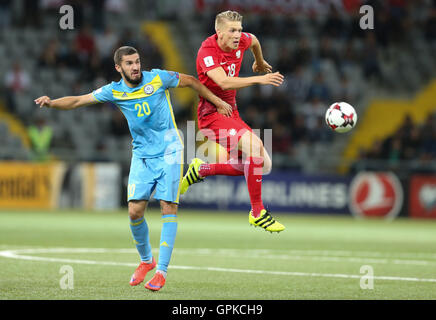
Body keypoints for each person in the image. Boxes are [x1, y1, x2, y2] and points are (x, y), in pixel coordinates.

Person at [34, 46, 232, 292]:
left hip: (170, 151)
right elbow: (78, 100)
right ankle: (147, 261)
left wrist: (217, 101)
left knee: (168, 207)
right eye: (129, 63)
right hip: (142, 155)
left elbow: (191, 81)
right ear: (119, 68)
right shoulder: (114, 91)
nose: (135, 66)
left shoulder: (158, 78)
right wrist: (52, 103)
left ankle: (161, 272)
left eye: (137, 61)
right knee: (134, 212)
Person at [180, 10, 285, 233]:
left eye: (239, 29)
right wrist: (260, 78)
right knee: (255, 148)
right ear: (219, 32)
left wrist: (259, 60)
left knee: (262, 165)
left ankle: (202, 169)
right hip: (211, 114)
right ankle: (257, 213)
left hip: (230, 113)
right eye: (232, 30)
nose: (238, 35)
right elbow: (224, 83)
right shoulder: (207, 51)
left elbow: (254, 40)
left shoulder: (243, 40)